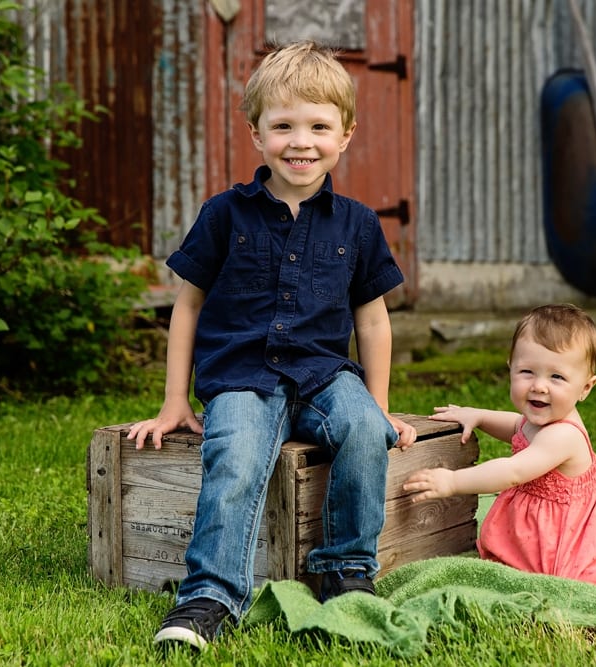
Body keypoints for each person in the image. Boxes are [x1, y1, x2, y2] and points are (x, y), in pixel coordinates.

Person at [127, 41, 417, 650]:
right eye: (282, 125)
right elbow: (188, 306)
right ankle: (209, 597)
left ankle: (346, 574)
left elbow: (372, 320)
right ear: (256, 134)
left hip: (323, 375)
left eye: (318, 126)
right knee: (232, 456)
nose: (301, 142)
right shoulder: (224, 214)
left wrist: (380, 404)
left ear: (346, 135)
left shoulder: (358, 224)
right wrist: (175, 402)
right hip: (241, 375)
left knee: (366, 432)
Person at [403, 304, 596, 595]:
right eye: (527, 371)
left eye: (557, 377)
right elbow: (517, 426)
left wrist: (452, 481)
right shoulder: (542, 420)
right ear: (510, 366)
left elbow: (513, 472)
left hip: (571, 531)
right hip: (541, 524)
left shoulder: (563, 435)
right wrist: (480, 416)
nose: (539, 386)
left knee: (591, 578)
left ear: (585, 388)